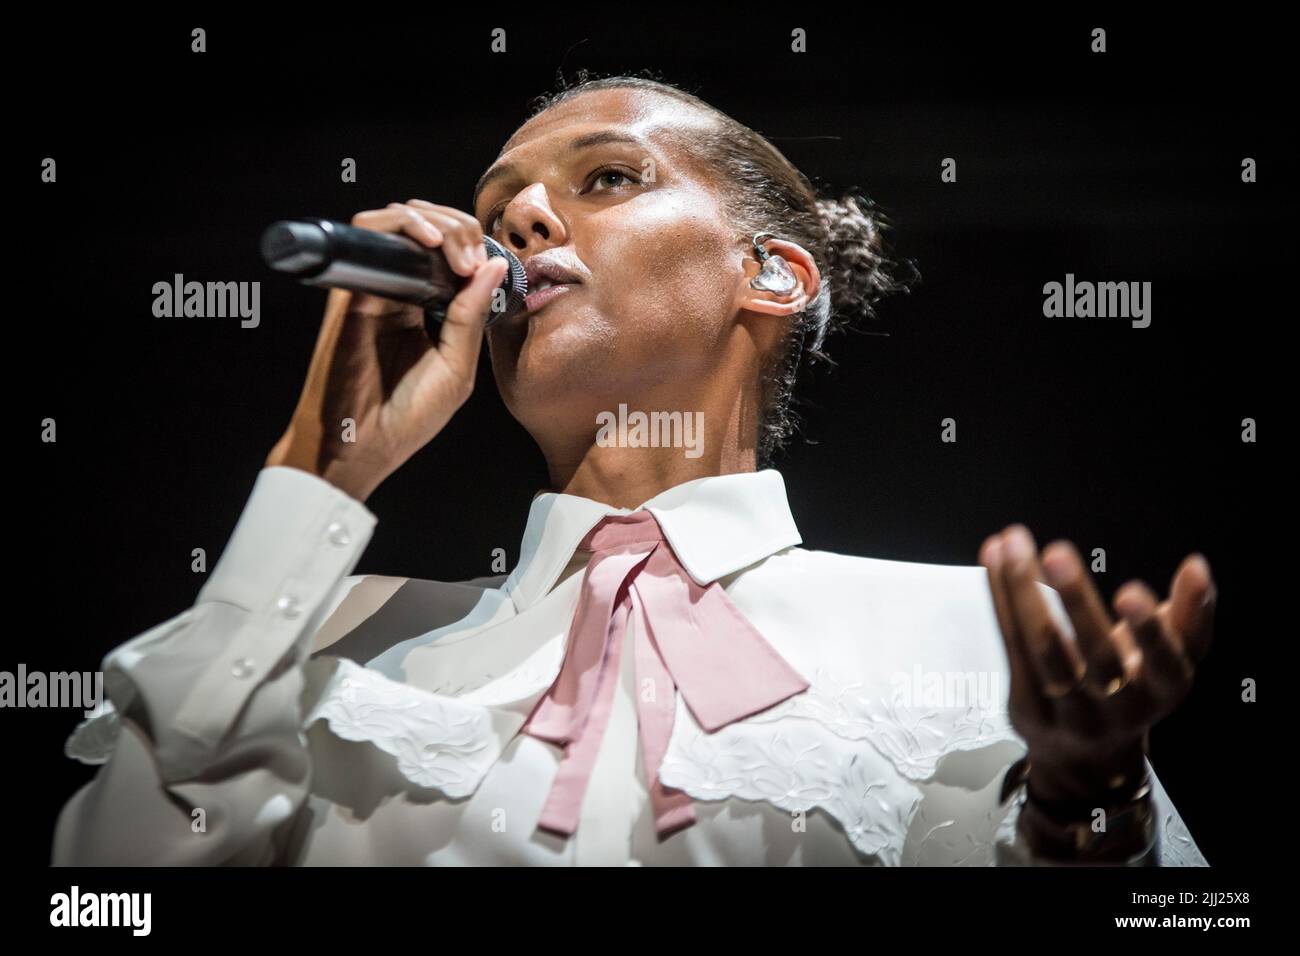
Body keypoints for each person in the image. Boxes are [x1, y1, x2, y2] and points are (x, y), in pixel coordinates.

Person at [52, 75, 1215, 866]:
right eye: (499, 210)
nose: (524, 224)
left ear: (773, 275)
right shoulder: (324, 640)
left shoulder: (978, 634)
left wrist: (1088, 807)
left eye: (605, 179)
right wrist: (320, 472)